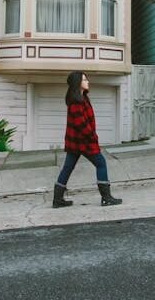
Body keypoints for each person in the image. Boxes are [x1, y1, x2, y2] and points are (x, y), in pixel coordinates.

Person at [53, 71, 123, 208]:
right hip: (83, 142)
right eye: (84, 79)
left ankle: (58, 200)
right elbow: (81, 125)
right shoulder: (76, 102)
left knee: (68, 168)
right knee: (101, 163)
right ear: (77, 83)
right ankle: (106, 198)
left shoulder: (82, 98)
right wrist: (93, 137)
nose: (87, 81)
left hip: (76, 142)